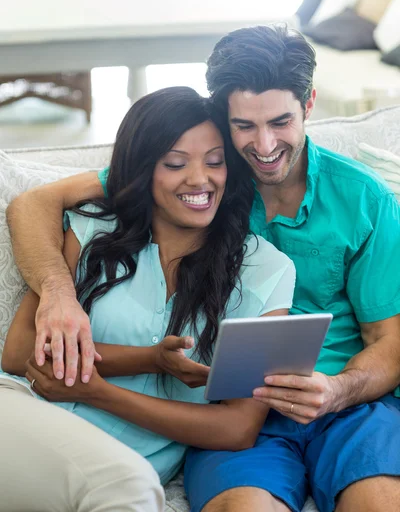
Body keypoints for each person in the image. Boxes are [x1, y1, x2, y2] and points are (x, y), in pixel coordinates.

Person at [1, 86, 295, 512]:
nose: (200, 179)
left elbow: (236, 427)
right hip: (27, 421)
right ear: (142, 170)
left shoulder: (266, 272)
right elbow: (18, 353)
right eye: (175, 164)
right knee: (128, 489)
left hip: (120, 475)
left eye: (214, 162)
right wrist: (149, 359)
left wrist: (97, 392)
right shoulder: (92, 231)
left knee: (129, 489)